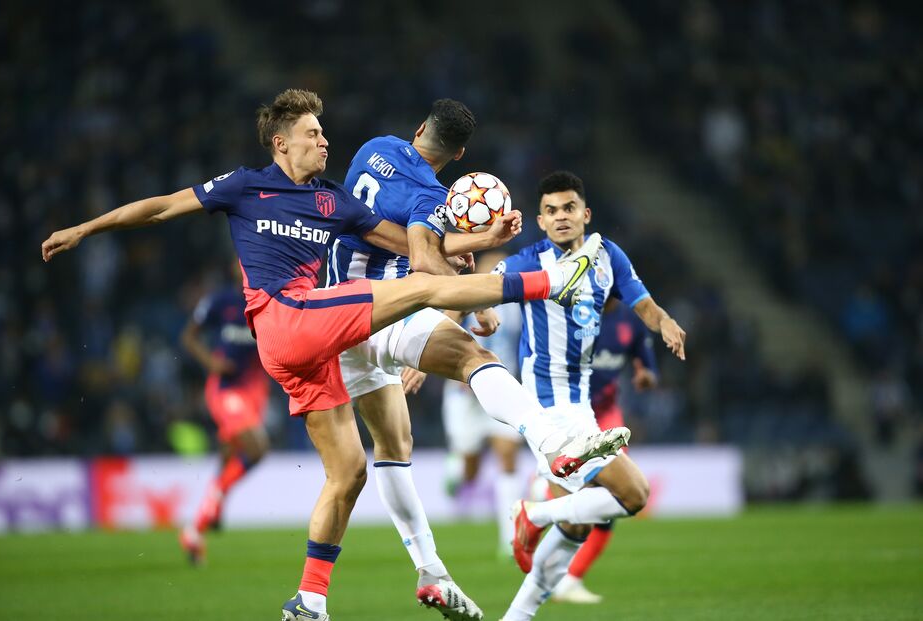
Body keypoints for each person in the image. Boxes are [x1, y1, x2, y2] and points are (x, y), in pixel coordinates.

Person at [41, 89, 629, 621]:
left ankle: (316, 599)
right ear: (281, 143)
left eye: (323, 132)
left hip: (325, 339)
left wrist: (471, 244)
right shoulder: (248, 186)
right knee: (440, 321)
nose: (325, 139)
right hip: (302, 316)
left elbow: (410, 246)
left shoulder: (339, 196)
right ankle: (550, 285)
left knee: (355, 468)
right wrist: (85, 229)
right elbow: (163, 207)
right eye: (313, 133)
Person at [327, 100, 615, 620]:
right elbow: (421, 258)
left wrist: (473, 241)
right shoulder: (431, 195)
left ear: (418, 128)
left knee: (393, 445)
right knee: (471, 354)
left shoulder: (371, 150)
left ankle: (431, 569)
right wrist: (475, 298)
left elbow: (381, 229)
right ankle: (549, 438)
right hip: (382, 306)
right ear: (459, 154)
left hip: (332, 315)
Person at [493, 171, 686, 621]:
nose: (561, 217)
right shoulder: (530, 260)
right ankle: (533, 513)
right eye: (552, 211)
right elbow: (477, 288)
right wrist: (472, 313)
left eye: (569, 208)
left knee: (577, 525)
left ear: (586, 214)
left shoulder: (607, 255)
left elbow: (643, 303)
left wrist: (665, 323)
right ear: (540, 221)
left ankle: (515, 616)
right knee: (634, 494)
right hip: (548, 405)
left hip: (578, 404)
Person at [551, 297, 658, 603]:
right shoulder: (571, 314)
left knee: (613, 498)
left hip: (607, 418)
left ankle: (570, 579)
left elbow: (647, 365)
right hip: (569, 416)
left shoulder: (630, 321)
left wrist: (646, 376)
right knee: (578, 497)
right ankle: (541, 508)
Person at [178, 264, 273, 565]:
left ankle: (197, 532)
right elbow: (189, 337)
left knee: (228, 457)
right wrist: (211, 362)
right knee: (257, 450)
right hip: (225, 389)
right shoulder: (220, 302)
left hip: (255, 390)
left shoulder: (269, 300)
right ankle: (206, 514)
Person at [440, 251, 525, 557]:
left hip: (502, 386)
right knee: (471, 470)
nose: (499, 275)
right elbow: (445, 332)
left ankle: (509, 537)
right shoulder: (464, 297)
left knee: (508, 458)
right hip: (463, 392)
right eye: (494, 269)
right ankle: (457, 468)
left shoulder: (517, 306)